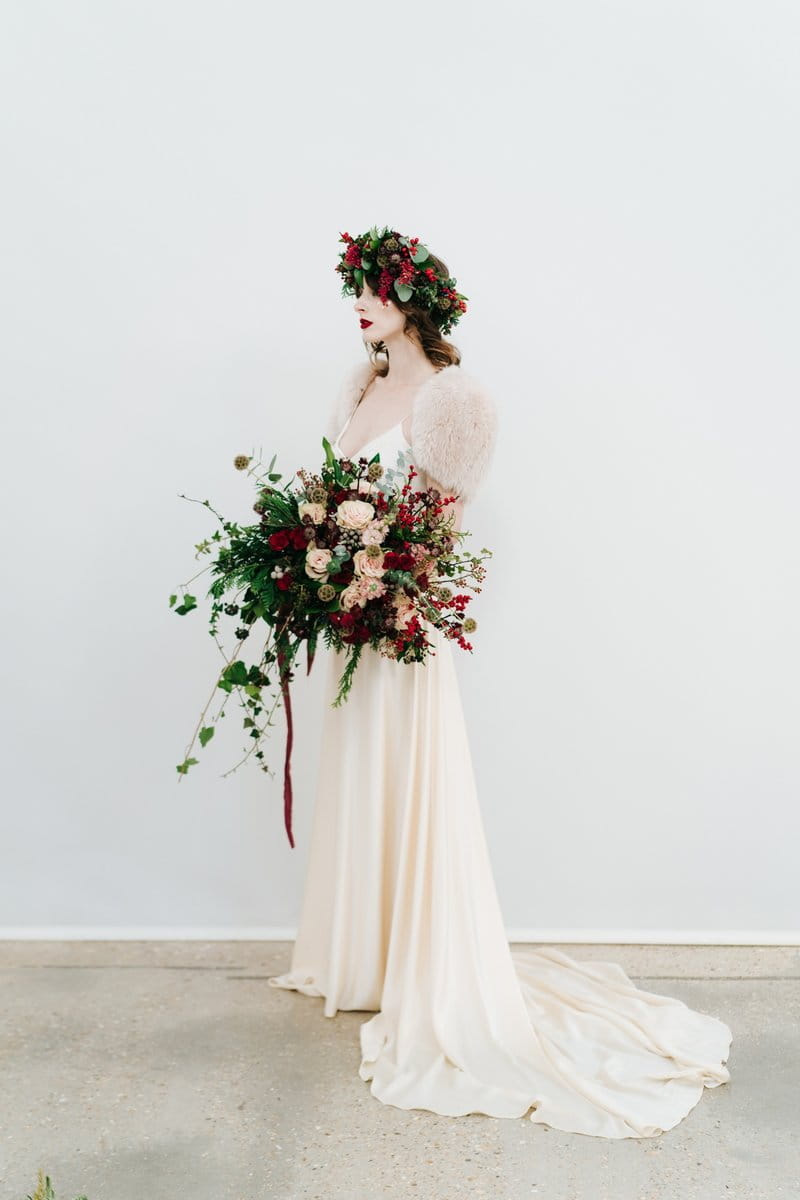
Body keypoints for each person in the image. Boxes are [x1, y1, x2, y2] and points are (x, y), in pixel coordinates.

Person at [268, 226, 733, 1138]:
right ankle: (363, 960)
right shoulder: (359, 384)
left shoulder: (454, 396)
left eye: (372, 288)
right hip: (354, 624)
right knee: (356, 777)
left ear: (414, 299)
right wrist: (320, 562)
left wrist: (384, 575)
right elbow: (332, 489)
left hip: (402, 632)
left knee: (407, 782)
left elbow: (440, 526)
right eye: (353, 290)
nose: (358, 303)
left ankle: (424, 969)